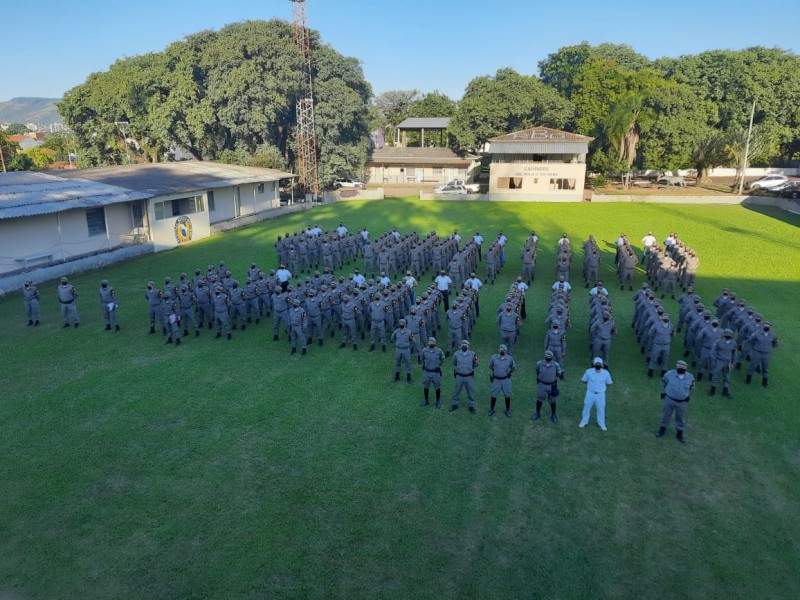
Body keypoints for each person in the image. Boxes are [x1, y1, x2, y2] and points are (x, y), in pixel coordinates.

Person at [656, 359, 695, 444]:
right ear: (676, 367)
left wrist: (684, 394)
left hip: (682, 402)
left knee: (680, 418)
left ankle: (679, 434)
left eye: (683, 367)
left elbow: (692, 387)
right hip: (669, 400)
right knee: (666, 415)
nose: (681, 368)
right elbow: (664, 383)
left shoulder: (690, 377)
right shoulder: (669, 374)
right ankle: (662, 430)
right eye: (679, 367)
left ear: (686, 368)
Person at [579, 357, 613, 431]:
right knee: (586, 407)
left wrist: (602, 389)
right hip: (590, 393)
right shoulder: (588, 372)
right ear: (593, 364)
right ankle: (584, 421)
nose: (598, 365)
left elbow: (609, 383)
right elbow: (584, 380)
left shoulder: (606, 373)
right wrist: (590, 387)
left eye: (599, 363)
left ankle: (601, 423)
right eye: (596, 363)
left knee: (601, 408)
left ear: (602, 365)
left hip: (600, 394)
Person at [450, 340, 479, 414]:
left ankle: (471, 406)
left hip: (468, 376)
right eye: (463, 344)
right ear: (460, 346)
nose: (464, 345)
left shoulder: (473, 354)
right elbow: (454, 362)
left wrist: (470, 369)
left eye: (466, 344)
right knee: (456, 391)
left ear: (468, 346)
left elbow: (476, 364)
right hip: (459, 376)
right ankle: (455, 404)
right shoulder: (456, 354)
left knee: (470, 391)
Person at [534, 351, 563, 423]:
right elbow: (537, 371)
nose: (548, 359)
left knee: (553, 400)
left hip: (552, 385)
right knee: (539, 398)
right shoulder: (539, 364)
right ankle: (537, 413)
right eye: (547, 358)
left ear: (552, 358)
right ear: (544, 357)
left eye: (549, 358)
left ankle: (553, 415)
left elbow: (560, 373)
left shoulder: (556, 365)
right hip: (542, 384)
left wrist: (560, 375)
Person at [747, 321, 778, 388]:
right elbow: (750, 340)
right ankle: (748, 380)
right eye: (765, 325)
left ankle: (765, 383)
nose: (766, 327)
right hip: (757, 353)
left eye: (768, 326)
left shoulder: (773, 335)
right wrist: (754, 347)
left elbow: (775, 343)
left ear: (770, 327)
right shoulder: (757, 333)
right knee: (752, 367)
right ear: (763, 326)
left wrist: (769, 347)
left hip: (766, 354)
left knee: (765, 369)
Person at [488, 344, 516, 417]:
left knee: (507, 394)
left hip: (506, 380)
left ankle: (507, 410)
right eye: (500, 349)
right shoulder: (494, 358)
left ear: (506, 351)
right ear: (498, 350)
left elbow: (514, 367)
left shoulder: (510, 359)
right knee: (494, 394)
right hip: (496, 379)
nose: (502, 351)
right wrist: (496, 371)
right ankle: (491, 409)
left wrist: (509, 372)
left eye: (503, 350)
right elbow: (490, 366)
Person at [420, 337, 445, 408]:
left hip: (436, 372)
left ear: (435, 343)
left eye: (433, 342)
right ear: (428, 343)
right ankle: (426, 400)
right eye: (430, 342)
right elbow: (422, 359)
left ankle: (437, 402)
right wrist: (425, 365)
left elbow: (443, 359)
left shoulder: (439, 351)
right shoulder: (424, 351)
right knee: (426, 386)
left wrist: (439, 366)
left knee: (437, 387)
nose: (431, 343)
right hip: (427, 372)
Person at [391, 318, 414, 383]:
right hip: (398, 349)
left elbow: (413, 340)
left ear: (405, 324)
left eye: (402, 323)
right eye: (400, 323)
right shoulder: (396, 331)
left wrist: (408, 345)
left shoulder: (409, 332)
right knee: (397, 362)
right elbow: (392, 338)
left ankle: (409, 377)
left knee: (408, 363)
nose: (401, 324)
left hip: (406, 350)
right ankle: (397, 376)